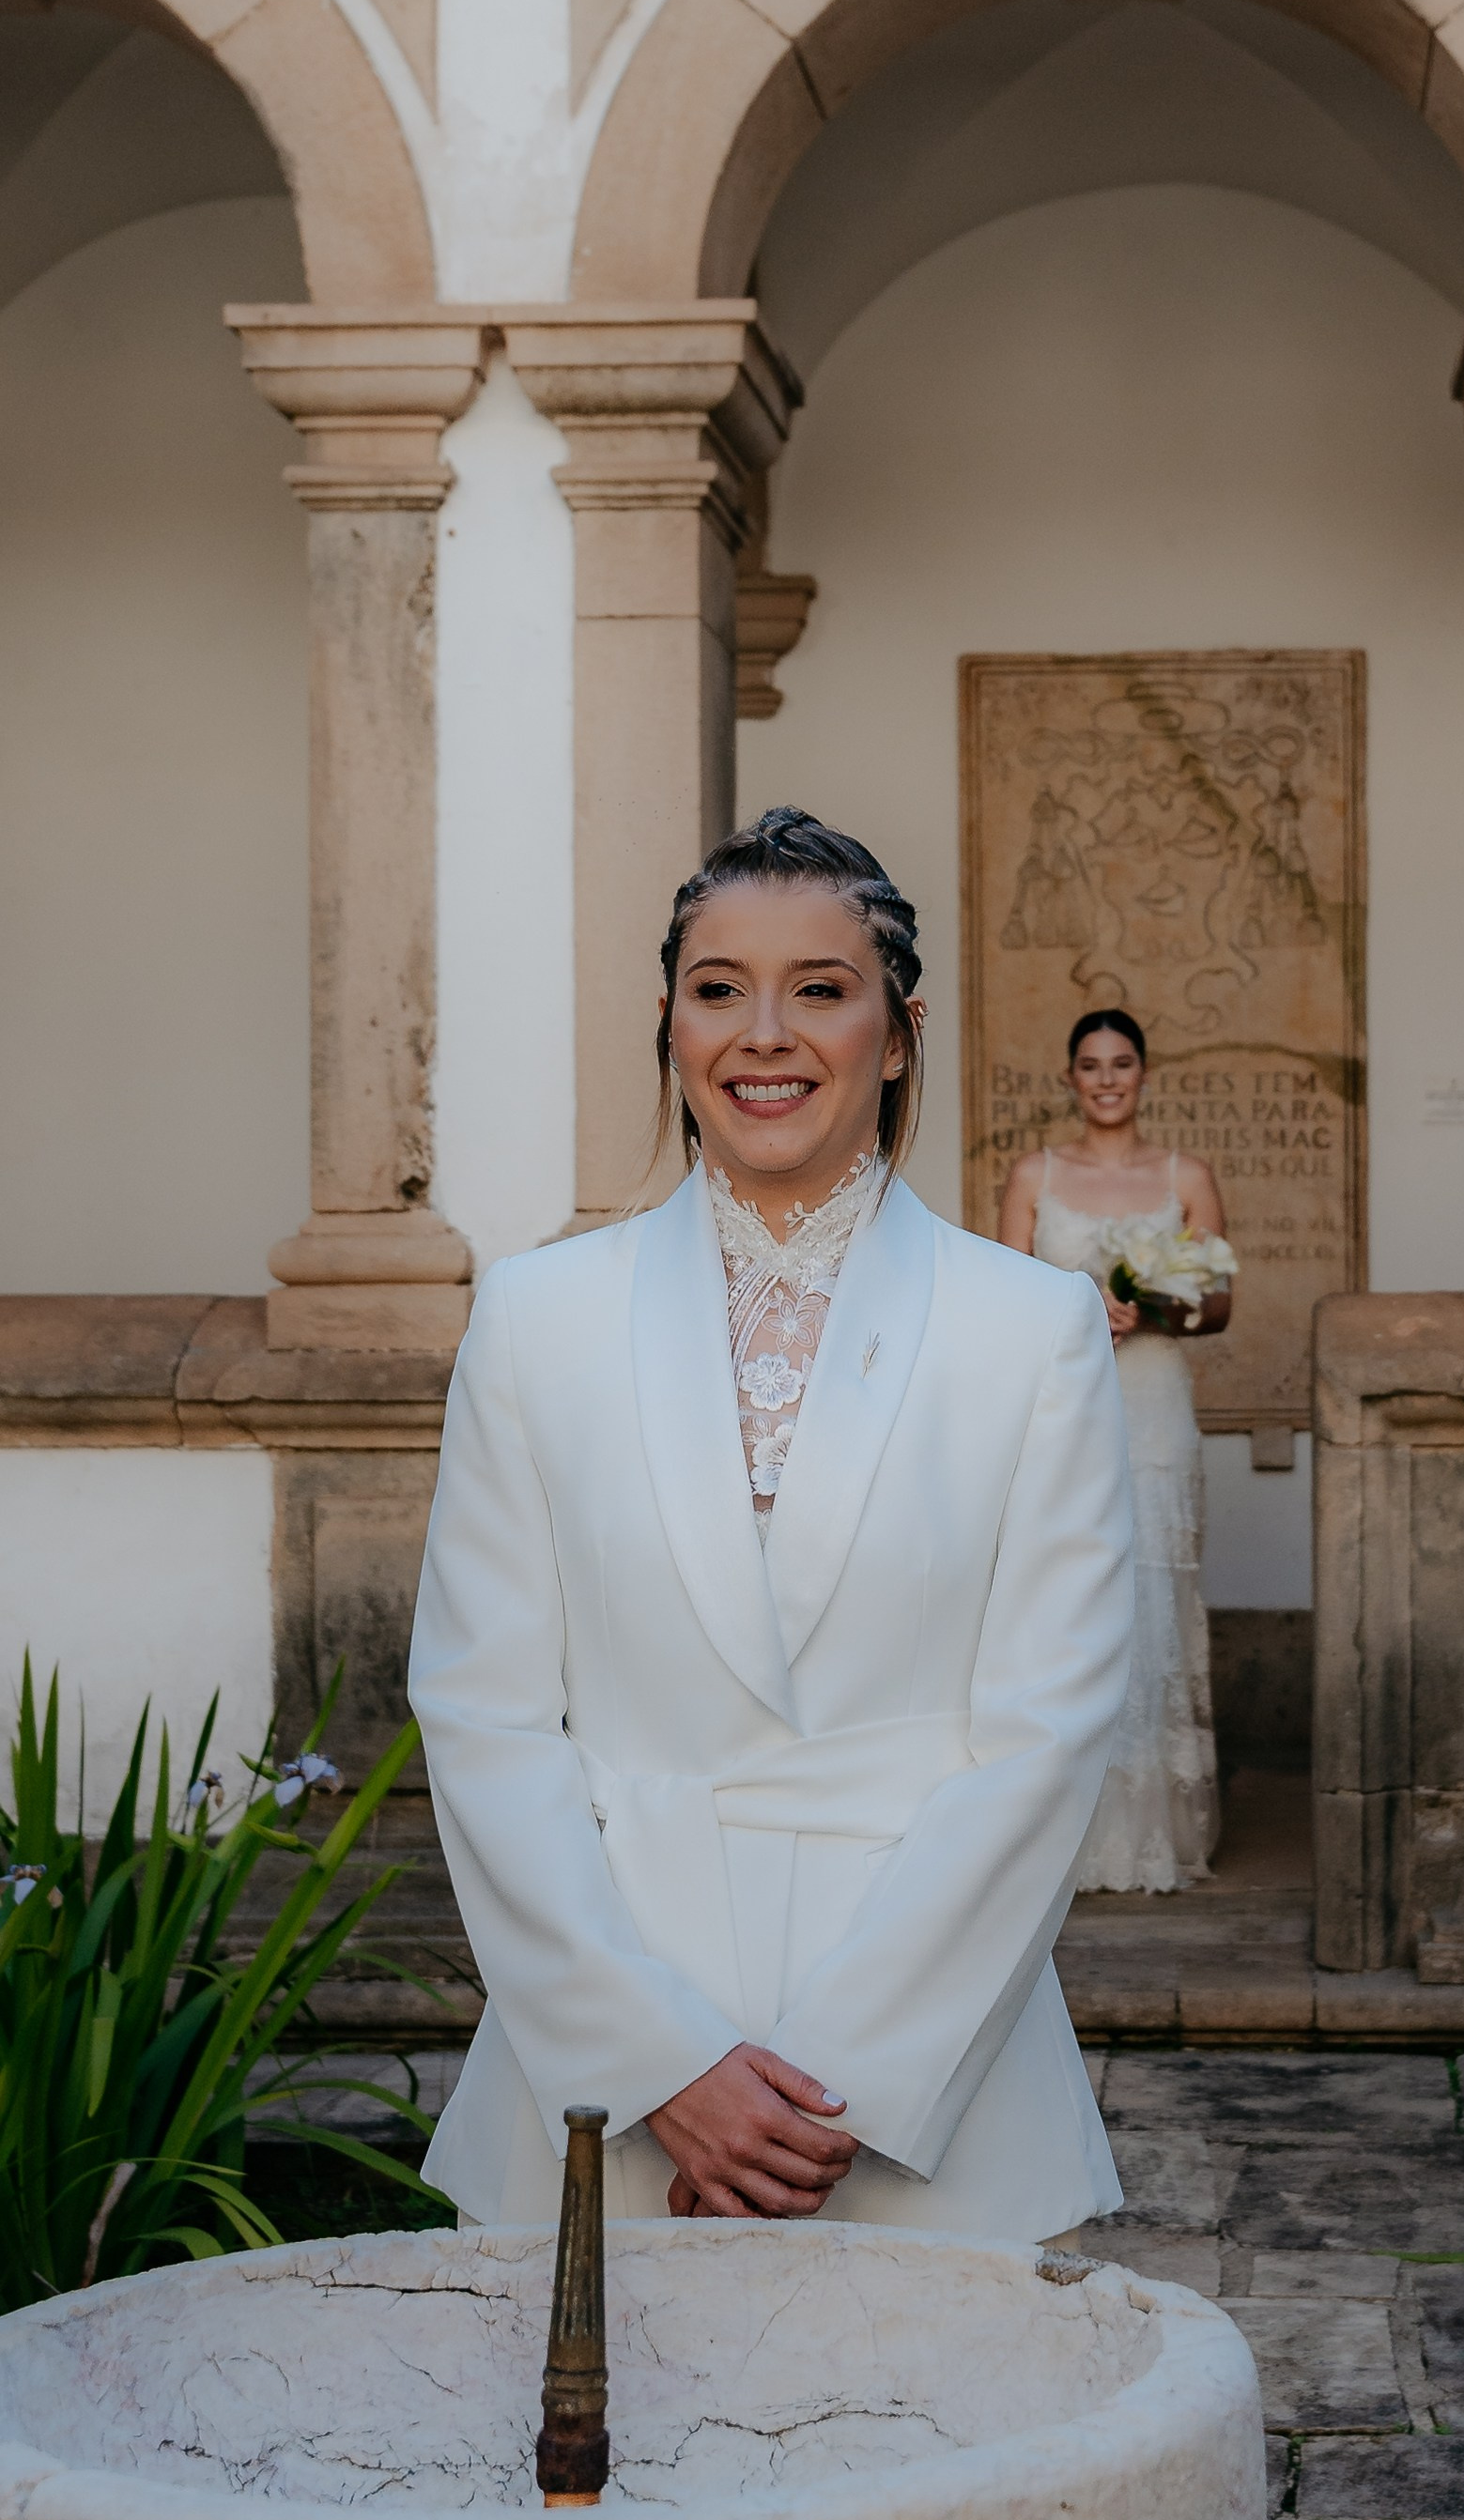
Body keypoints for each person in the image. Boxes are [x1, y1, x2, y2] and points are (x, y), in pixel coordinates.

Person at [409, 808, 1133, 2240]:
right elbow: (485, 1715)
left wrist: (832, 2098)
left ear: (900, 1029)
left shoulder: (1031, 1330)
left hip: (927, 2083)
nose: (766, 1034)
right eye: (718, 987)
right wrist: (658, 2066)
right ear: (671, 1026)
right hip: (604, 2065)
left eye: (820, 987)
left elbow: (1048, 1734)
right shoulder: (538, 1320)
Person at [997, 1010, 1230, 1893]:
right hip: (1068, 1407)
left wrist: (1154, 1309)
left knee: (1155, 1596)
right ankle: (1066, 1827)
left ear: (1143, 1074)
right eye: (1089, 1064)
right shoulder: (1034, 1175)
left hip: (1154, 1402)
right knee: (1070, 1594)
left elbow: (1220, 1306)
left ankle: (1154, 1829)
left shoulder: (1186, 1176)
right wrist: (1077, 1311)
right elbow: (1007, 1302)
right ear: (1069, 1078)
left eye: (1121, 1064)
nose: (1105, 1079)